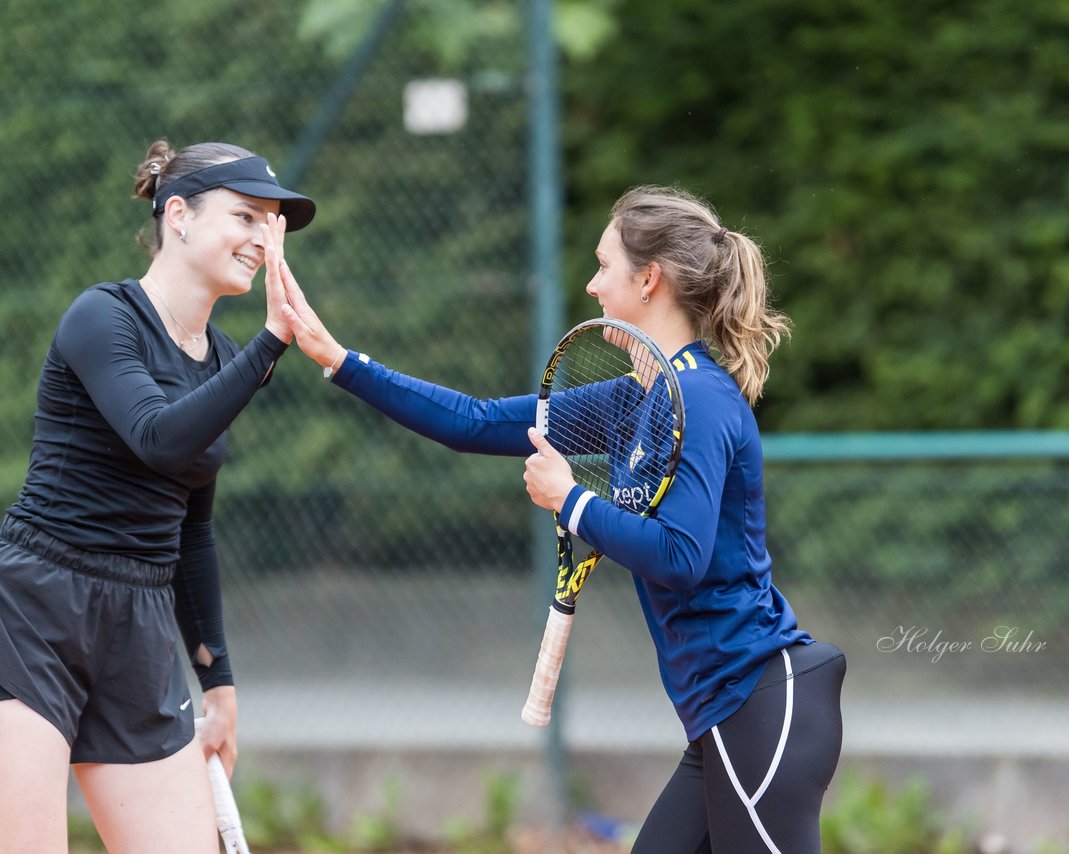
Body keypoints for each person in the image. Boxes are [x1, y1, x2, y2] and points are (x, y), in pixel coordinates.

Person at [275, 184, 845, 853]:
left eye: (604, 266)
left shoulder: (701, 399)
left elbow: (681, 557)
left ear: (649, 279)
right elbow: (477, 421)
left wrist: (572, 499)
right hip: (721, 715)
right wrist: (338, 360)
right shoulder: (638, 398)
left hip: (759, 706)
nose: (592, 284)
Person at [0, 138, 315, 853]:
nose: (264, 240)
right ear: (178, 215)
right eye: (246, 216)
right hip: (31, 611)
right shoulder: (101, 317)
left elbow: (190, 527)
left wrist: (219, 681)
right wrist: (272, 342)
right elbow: (157, 437)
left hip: (138, 628)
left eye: (272, 224)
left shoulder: (231, 360)